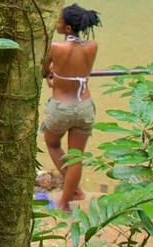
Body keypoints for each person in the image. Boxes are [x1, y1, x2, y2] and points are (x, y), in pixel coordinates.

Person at [41, 4, 100, 211]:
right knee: (77, 157)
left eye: (59, 21)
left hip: (62, 107)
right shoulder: (92, 46)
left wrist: (50, 75)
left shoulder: (57, 48)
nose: (56, 24)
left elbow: (43, 70)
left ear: (67, 29)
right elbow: (82, 73)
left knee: (52, 143)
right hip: (84, 106)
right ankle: (67, 199)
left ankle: (72, 191)